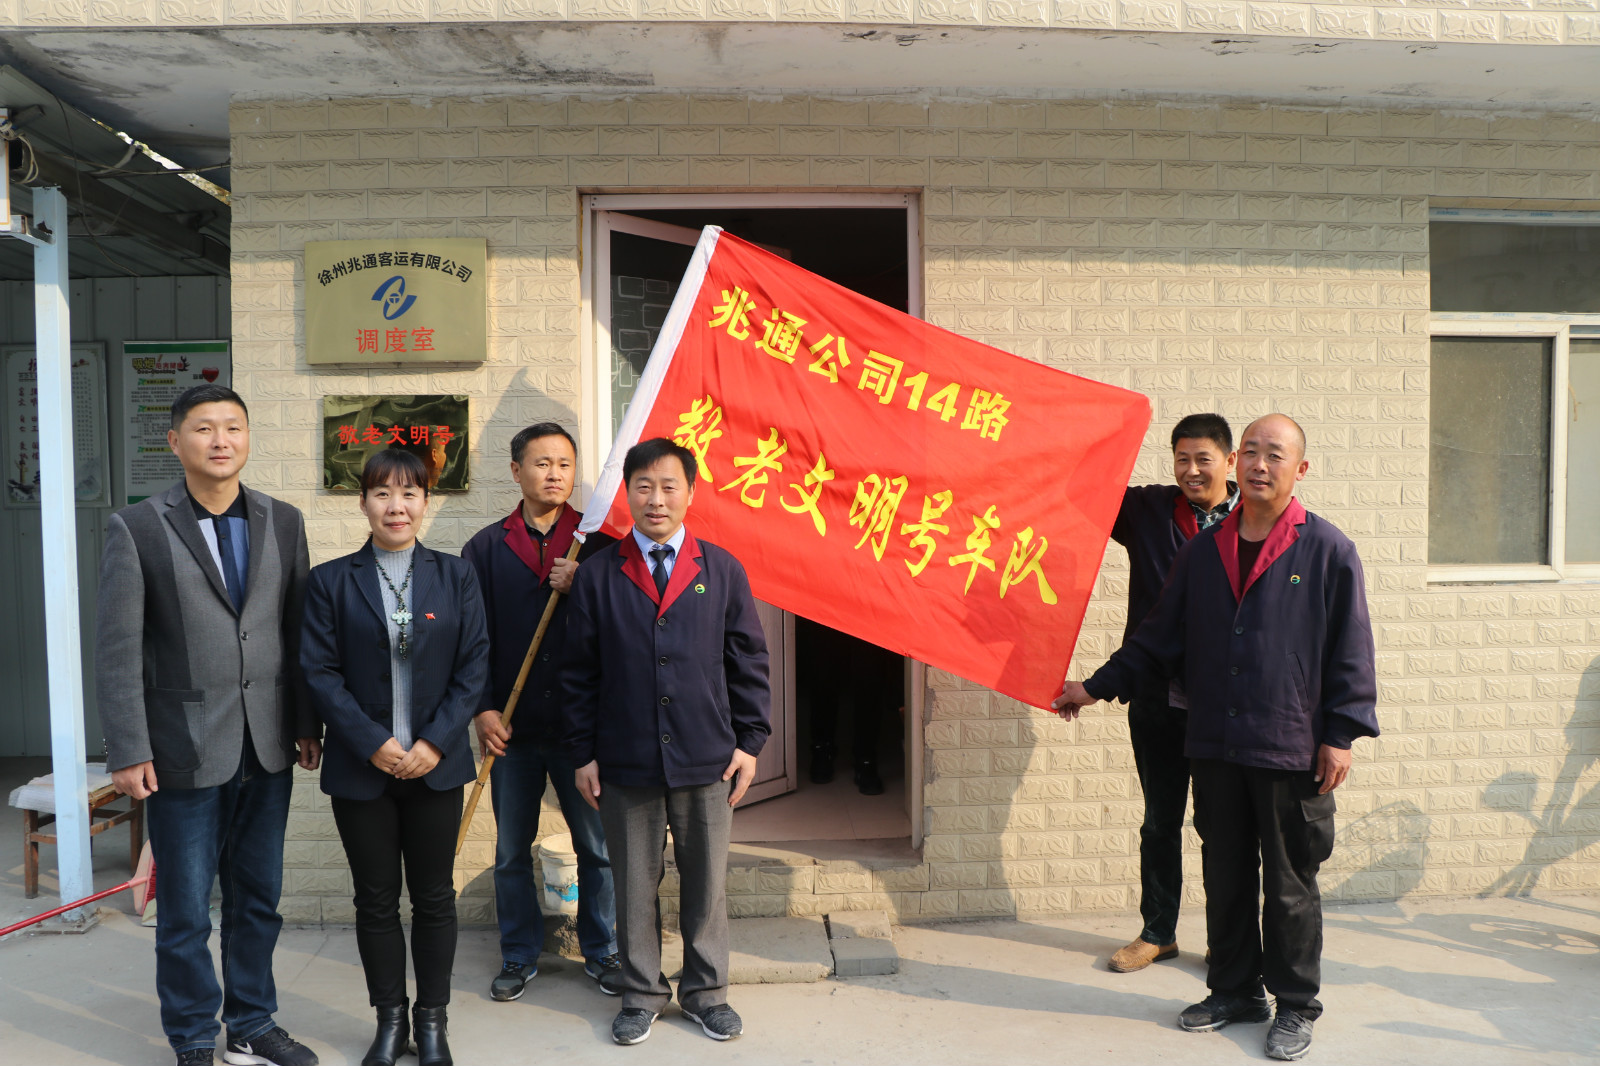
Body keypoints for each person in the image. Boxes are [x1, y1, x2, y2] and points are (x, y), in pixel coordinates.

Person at [1055, 414, 1378, 1062]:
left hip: (1288, 745)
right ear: (1239, 462)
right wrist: (1091, 687)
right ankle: (1234, 991)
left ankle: (1295, 1005)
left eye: (1274, 454)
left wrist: (1340, 733)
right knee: (1225, 875)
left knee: (1289, 885)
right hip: (1216, 743)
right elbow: (1155, 639)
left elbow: (1351, 648)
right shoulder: (1204, 552)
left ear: (1299, 469)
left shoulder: (1326, 550)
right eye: (1252, 451)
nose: (1260, 464)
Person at [97, 384, 321, 1066]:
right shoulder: (137, 527)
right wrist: (128, 748)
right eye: (203, 428)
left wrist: (306, 722)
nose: (220, 440)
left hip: (268, 743)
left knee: (259, 898)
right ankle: (193, 1034)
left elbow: (298, 629)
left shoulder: (284, 521)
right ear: (175, 441)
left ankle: (252, 1023)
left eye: (232, 427)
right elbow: (118, 649)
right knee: (187, 907)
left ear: (248, 438)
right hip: (180, 746)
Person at [561, 437, 771, 1047]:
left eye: (669, 486)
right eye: (644, 487)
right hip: (625, 758)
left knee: (706, 883)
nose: (656, 499)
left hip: (708, 756)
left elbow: (748, 660)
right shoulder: (599, 574)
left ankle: (707, 994)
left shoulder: (721, 569)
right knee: (633, 885)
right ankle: (642, 993)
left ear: (691, 493)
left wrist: (750, 742)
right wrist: (583, 753)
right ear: (628, 494)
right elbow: (577, 673)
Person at [300, 450, 489, 1066]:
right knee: (375, 901)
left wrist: (434, 741)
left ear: (426, 502)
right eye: (382, 493)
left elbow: (474, 665)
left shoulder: (456, 576)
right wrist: (370, 741)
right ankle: (390, 1021)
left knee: (434, 898)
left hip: (436, 768)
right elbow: (319, 671)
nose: (396, 506)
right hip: (363, 770)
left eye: (410, 493)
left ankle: (432, 1022)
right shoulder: (331, 581)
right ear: (362, 503)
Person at [461, 423, 619, 1001]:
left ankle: (604, 951)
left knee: (597, 848)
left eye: (564, 464)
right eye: (542, 463)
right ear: (516, 471)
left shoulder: (600, 545)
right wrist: (482, 710)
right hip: (512, 730)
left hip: (584, 731)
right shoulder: (484, 548)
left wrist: (588, 583)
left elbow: (627, 622)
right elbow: (470, 640)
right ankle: (519, 953)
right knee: (510, 851)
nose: (554, 474)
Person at [1104, 413, 1238, 974]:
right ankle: (1158, 932)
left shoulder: (1256, 519)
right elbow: (1080, 487)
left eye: (1203, 458)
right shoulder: (1148, 510)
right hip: (1156, 699)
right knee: (1160, 821)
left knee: (1220, 827)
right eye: (1182, 459)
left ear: (1229, 461)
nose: (1191, 470)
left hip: (1224, 705)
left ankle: (1226, 942)